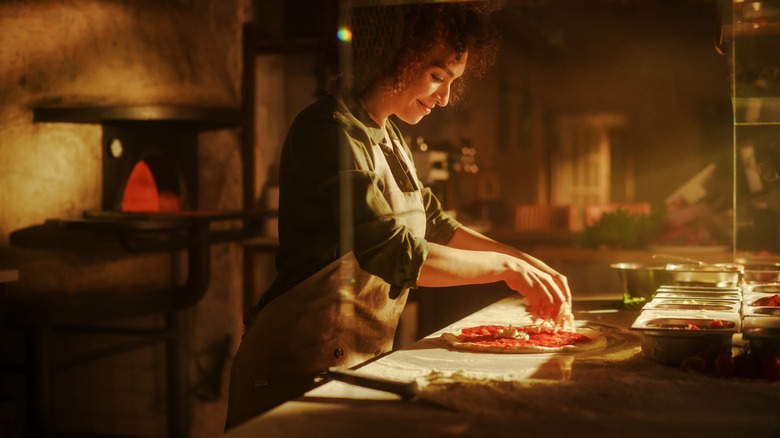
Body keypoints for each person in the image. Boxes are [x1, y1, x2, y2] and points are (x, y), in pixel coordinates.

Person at [226, 2, 572, 428]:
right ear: (394, 56)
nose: (444, 98)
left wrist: (529, 264)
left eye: (451, 83)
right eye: (436, 77)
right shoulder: (330, 130)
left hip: (354, 361)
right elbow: (392, 250)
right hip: (294, 367)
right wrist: (506, 268)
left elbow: (437, 225)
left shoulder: (389, 136)